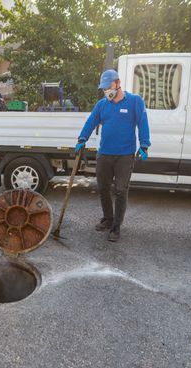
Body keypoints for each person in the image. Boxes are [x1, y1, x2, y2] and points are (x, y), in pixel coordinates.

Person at [75, 69, 150, 242]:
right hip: (105, 153)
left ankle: (116, 226)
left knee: (121, 190)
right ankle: (108, 219)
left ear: (117, 83)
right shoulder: (102, 105)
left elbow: (142, 124)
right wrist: (82, 138)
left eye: (108, 87)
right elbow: (91, 121)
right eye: (103, 89)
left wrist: (144, 145)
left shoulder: (134, 101)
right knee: (102, 188)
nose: (106, 91)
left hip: (125, 155)